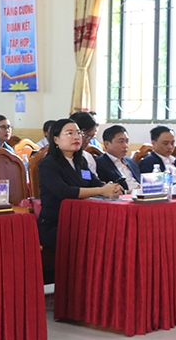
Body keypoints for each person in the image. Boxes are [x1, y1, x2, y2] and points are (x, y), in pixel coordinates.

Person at [37, 119, 123, 282]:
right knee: (95, 238)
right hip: (56, 224)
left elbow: (95, 183)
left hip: (81, 221)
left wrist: (111, 188)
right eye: (69, 133)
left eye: (78, 133)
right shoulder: (48, 164)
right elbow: (64, 191)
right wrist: (100, 191)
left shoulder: (80, 161)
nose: (76, 137)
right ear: (56, 139)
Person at [95, 124, 140, 191]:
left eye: (127, 141)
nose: (125, 145)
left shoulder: (131, 162)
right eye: (121, 142)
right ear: (107, 144)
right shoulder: (99, 164)